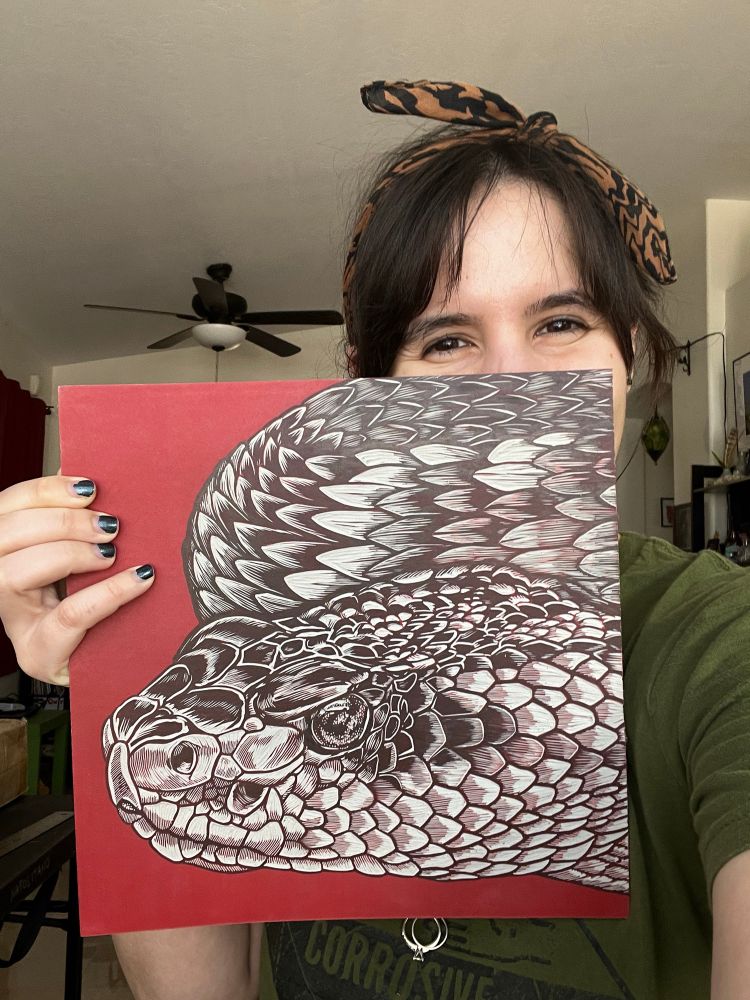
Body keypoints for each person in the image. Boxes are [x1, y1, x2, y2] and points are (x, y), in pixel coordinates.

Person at [1, 80, 748, 1000]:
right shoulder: (291, 606)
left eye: (561, 322)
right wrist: (107, 666)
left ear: (628, 353)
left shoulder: (715, 637)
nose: (506, 382)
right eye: (446, 341)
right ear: (372, 384)